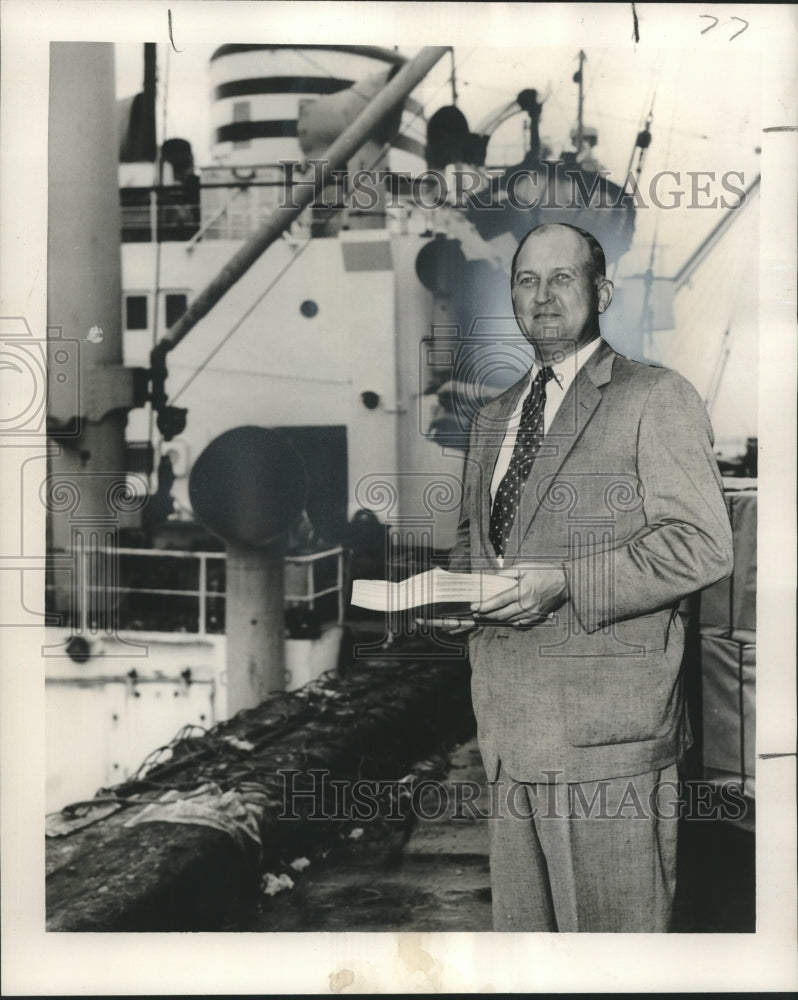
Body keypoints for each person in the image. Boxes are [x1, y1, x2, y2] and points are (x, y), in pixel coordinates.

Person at [448, 222, 734, 932]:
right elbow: (474, 545)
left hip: (609, 747)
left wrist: (568, 582)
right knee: (527, 968)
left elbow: (701, 545)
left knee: (614, 962)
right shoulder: (492, 418)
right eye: (526, 280)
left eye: (562, 278)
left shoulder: (654, 398)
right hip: (509, 740)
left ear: (601, 291)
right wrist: (455, 599)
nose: (542, 296)